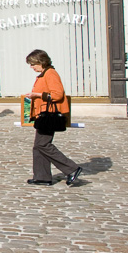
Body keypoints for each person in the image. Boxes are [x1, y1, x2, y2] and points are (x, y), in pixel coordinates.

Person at [20, 50, 83, 186]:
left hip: (49, 115)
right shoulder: (44, 74)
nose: (31, 67)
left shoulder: (50, 74)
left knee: (43, 144)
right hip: (43, 114)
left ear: (41, 62)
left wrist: (37, 95)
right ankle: (42, 176)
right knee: (38, 146)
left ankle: (72, 169)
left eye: (33, 64)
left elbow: (57, 94)